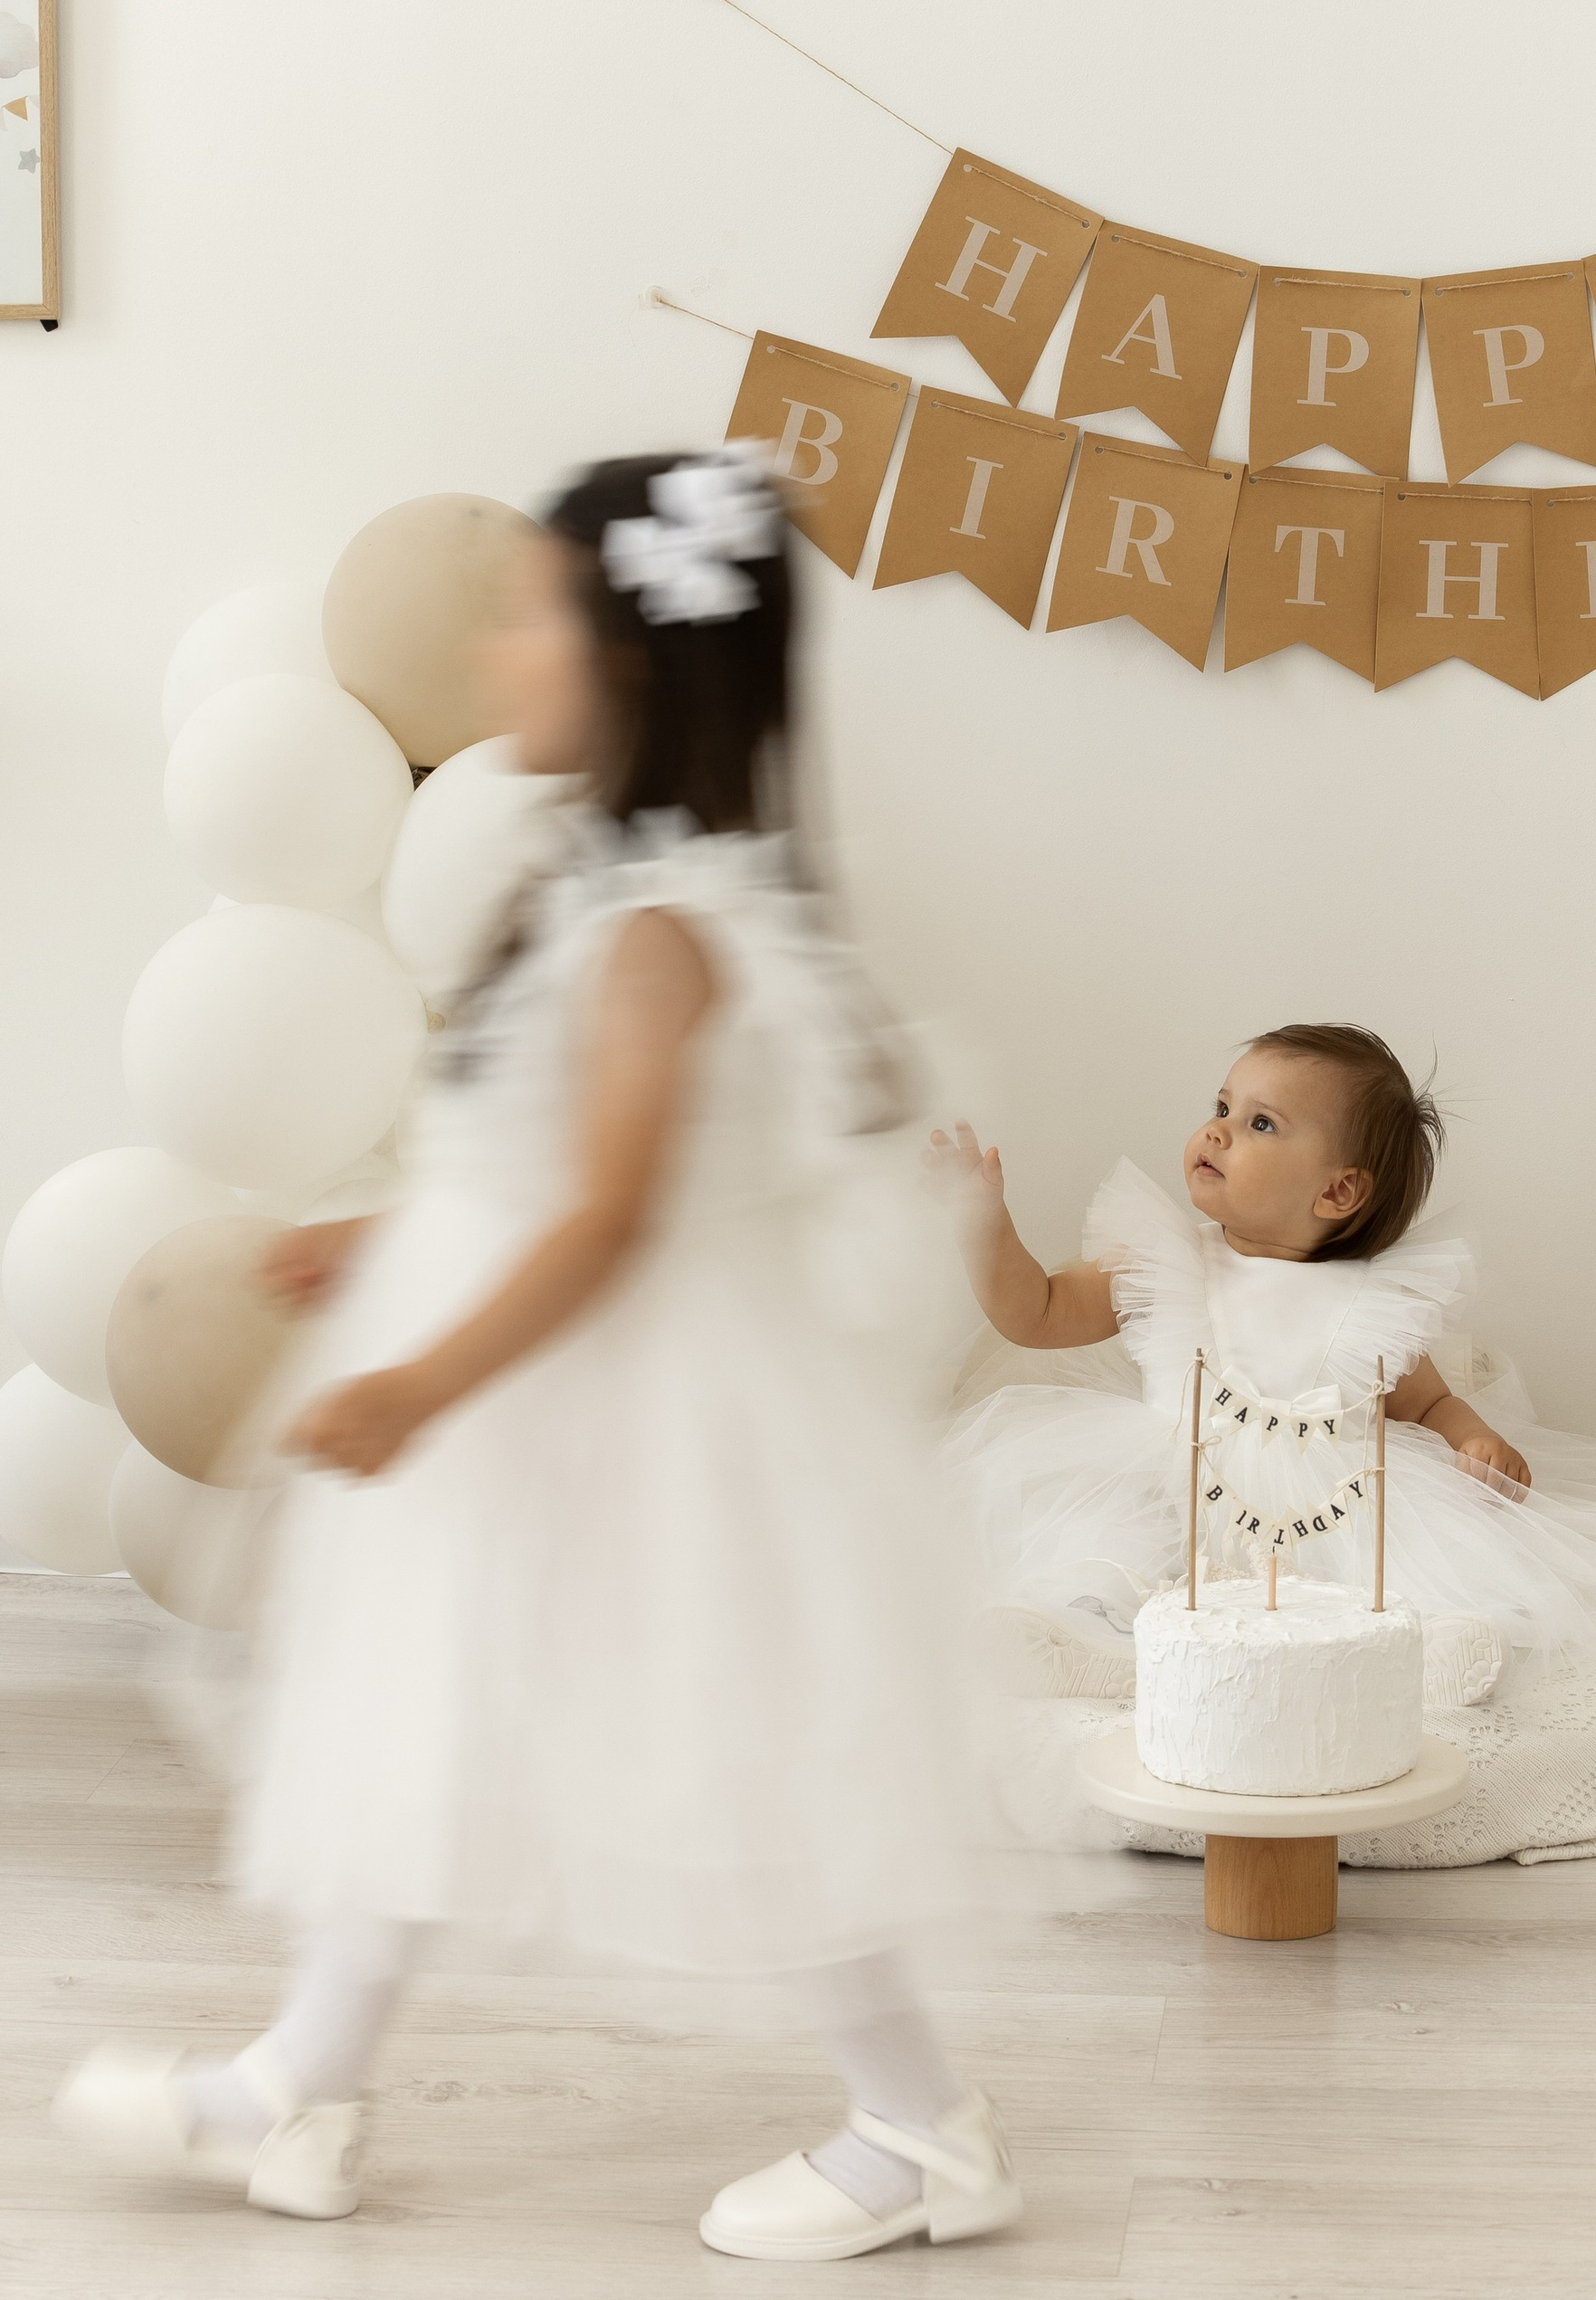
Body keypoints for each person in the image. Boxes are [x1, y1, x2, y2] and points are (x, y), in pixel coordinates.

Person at [58, 446, 1019, 2265]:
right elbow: (536, 1170)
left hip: (634, 1419)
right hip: (558, 1405)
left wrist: (418, 1381)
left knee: (729, 1754)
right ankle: (298, 2083)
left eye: (527, 620)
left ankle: (919, 2125)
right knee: (419, 1711)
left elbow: (611, 1218)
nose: (493, 655)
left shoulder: (663, 931)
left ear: (631, 664)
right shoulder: (612, 892)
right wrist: (388, 1244)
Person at [930, 1023, 1596, 1681]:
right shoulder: (1162, 1261)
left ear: (1339, 1190)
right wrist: (983, 1225)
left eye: (1260, 1123)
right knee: (1117, 1551)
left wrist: (1472, 1437)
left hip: (1331, 1510)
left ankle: (1436, 1653)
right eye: (1222, 1107)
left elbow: (1425, 1402)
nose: (1218, 1131)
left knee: (1390, 1589)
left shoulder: (1367, 1307)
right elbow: (1035, 1313)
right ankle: (1085, 1645)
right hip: (1176, 1481)